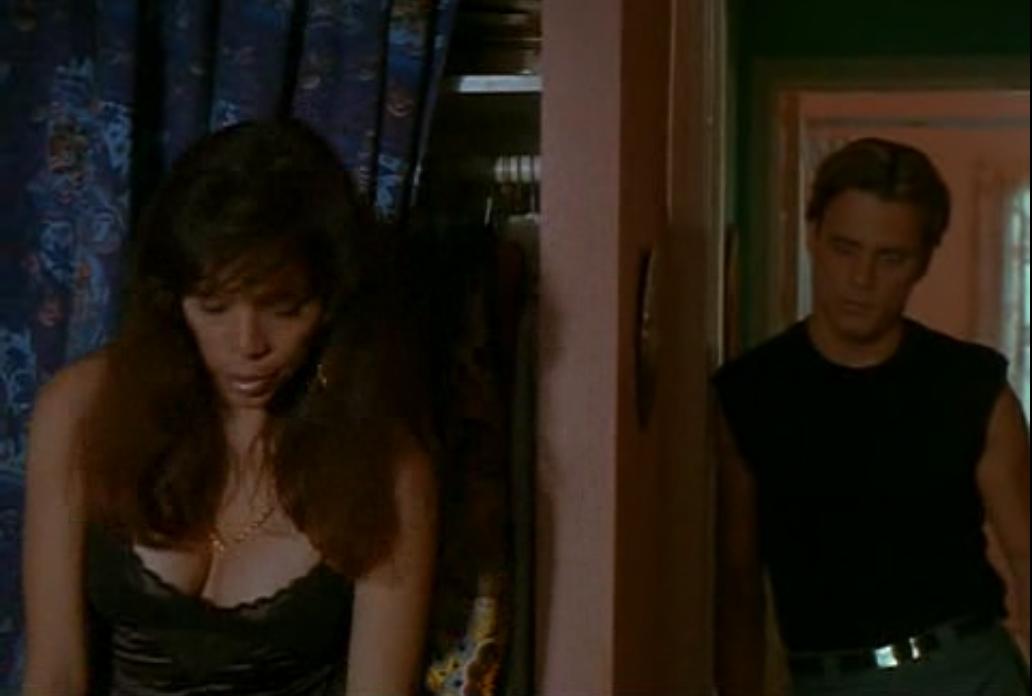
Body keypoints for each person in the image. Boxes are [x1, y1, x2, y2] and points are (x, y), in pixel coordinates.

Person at [21, 119, 438, 695]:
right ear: (174, 299)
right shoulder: (80, 409)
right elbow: (55, 674)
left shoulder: (386, 468)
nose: (248, 345)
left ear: (329, 302)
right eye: (214, 307)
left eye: (283, 309)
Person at [713, 137, 1030, 695]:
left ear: (922, 262)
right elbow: (739, 587)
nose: (861, 280)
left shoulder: (970, 387)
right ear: (813, 237)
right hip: (825, 679)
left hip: (967, 672)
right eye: (845, 249)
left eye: (890, 258)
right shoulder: (754, 391)